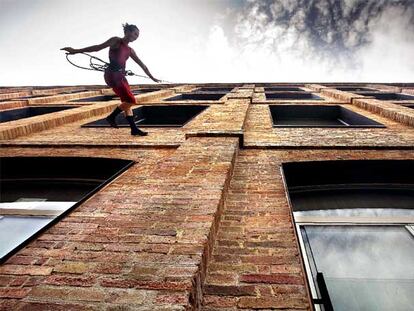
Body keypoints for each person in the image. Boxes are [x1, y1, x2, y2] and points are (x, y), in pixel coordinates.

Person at [61, 23, 160, 136]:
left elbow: (142, 65)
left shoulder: (131, 50)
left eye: (138, 35)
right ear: (127, 31)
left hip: (121, 76)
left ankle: (133, 129)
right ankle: (111, 117)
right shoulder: (116, 41)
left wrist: (152, 77)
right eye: (135, 33)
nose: (136, 36)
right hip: (112, 75)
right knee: (131, 101)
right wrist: (75, 50)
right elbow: (97, 48)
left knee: (126, 103)